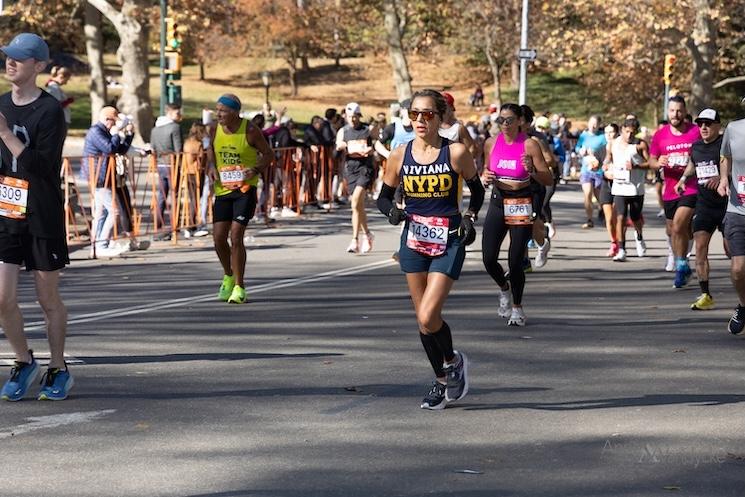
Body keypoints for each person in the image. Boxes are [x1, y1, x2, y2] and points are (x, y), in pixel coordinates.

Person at [376, 89, 485, 409]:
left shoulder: (456, 153)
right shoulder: (399, 154)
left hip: (448, 238)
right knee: (423, 321)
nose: (420, 120)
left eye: (427, 114)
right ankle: (443, 377)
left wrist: (470, 216)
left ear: (440, 117)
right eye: (414, 114)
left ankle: (453, 362)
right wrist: (391, 212)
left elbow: (477, 191)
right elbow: (384, 196)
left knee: (428, 313)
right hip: (413, 239)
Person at [0, 33, 72, 401]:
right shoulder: (1, 104)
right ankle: (23, 360)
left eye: (19, 58)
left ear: (38, 67)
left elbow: (41, 168)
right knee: (1, 297)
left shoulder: (49, 112)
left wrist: (5, 133)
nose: (10, 62)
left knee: (48, 299)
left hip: (41, 213)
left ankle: (57, 367)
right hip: (7, 213)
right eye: (7, 57)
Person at [481, 103, 554, 326]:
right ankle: (504, 289)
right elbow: (486, 170)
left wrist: (532, 170)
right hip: (498, 201)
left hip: (521, 200)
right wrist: (485, 177)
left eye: (509, 120)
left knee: (515, 260)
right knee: (489, 258)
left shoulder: (530, 145)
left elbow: (548, 179)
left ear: (520, 121)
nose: (504, 124)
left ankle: (517, 308)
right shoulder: (491, 143)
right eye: (500, 120)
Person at [207, 94, 272, 304]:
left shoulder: (251, 130)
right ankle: (228, 274)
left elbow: (269, 155)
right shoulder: (214, 129)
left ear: (235, 112)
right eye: (217, 110)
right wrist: (211, 167)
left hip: (245, 189)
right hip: (223, 190)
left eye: (223, 111)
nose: (219, 114)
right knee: (218, 237)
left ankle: (239, 286)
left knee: (236, 236)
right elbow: (210, 149)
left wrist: (254, 170)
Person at [675, 109, 727, 310]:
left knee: (732, 250)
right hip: (704, 205)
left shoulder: (725, 145)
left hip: (726, 205)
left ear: (717, 126)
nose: (703, 127)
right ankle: (705, 295)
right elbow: (692, 165)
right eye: (700, 123)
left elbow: (738, 167)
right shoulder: (696, 146)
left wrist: (723, 178)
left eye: (708, 123)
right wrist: (683, 179)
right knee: (700, 249)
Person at [650, 96, 701, 287]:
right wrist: (658, 163)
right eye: (672, 110)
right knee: (675, 230)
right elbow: (652, 160)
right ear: (668, 112)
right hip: (669, 190)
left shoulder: (695, 132)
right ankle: (684, 262)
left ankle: (681, 266)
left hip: (691, 187)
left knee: (679, 226)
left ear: (685, 111)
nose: (675, 114)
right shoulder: (660, 135)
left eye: (679, 111)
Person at [83, 106, 135, 256]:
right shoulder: (96, 131)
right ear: (107, 119)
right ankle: (101, 244)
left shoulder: (104, 131)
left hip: (104, 176)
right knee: (114, 211)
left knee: (103, 212)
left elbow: (120, 149)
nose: (114, 125)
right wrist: (117, 133)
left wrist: (129, 134)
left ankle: (97, 245)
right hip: (99, 177)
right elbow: (110, 148)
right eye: (114, 121)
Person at [605, 117, 650, 261]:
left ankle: (639, 236)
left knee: (636, 217)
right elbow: (608, 158)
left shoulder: (640, 145)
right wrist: (605, 167)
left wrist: (636, 166)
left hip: (636, 187)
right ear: (622, 129)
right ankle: (622, 249)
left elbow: (650, 163)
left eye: (632, 132)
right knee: (620, 217)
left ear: (636, 132)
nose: (629, 135)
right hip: (619, 186)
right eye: (626, 131)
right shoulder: (613, 143)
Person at [717, 107, 745, 334]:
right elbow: (725, 156)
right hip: (737, 208)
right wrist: (724, 178)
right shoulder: (733, 129)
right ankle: (744, 306)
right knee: (738, 269)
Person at [337, 102, 375, 254]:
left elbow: (376, 145)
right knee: (359, 206)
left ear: (359, 116)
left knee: (354, 203)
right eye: (350, 117)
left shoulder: (367, 130)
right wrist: (341, 146)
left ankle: (354, 239)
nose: (353, 120)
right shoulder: (343, 131)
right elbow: (338, 144)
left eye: (355, 117)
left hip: (365, 169)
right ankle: (367, 234)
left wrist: (369, 150)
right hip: (350, 169)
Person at [150, 104, 183, 233]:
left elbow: (153, 147)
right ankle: (175, 224)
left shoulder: (155, 129)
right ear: (169, 113)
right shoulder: (174, 128)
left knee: (162, 195)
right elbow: (178, 148)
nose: (179, 115)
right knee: (175, 194)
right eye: (177, 113)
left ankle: (158, 223)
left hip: (160, 163)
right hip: (172, 164)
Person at [576, 115, 607, 228]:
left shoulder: (603, 137)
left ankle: (603, 212)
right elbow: (577, 148)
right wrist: (581, 151)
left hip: (598, 171)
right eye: (591, 123)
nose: (593, 126)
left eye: (596, 124)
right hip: (586, 169)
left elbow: (607, 151)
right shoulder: (583, 136)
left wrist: (597, 154)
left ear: (599, 125)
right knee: (587, 193)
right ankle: (589, 219)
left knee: (600, 197)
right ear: (588, 123)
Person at [599, 123, 619, 257]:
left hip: (620, 186)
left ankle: (620, 243)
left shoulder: (621, 148)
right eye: (606, 132)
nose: (609, 135)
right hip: (606, 185)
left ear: (617, 133)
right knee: (609, 218)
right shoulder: (601, 149)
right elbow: (597, 165)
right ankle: (613, 242)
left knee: (617, 218)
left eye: (611, 132)